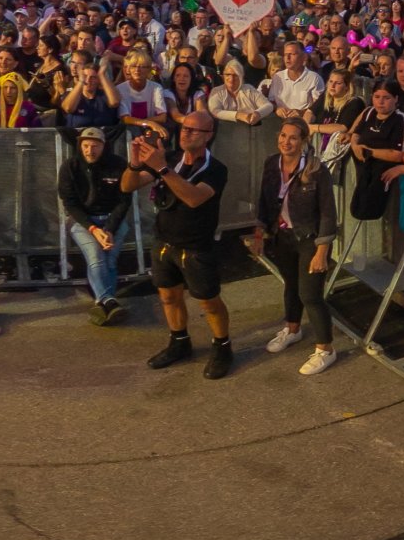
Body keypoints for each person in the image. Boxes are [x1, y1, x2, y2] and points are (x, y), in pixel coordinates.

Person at [129, 112, 237, 376]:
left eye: (193, 130)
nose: (186, 133)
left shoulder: (215, 169)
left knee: (208, 301)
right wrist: (134, 164)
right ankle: (179, 342)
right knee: (168, 296)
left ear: (209, 135)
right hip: (164, 240)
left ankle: (222, 346)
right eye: (184, 127)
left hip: (196, 245)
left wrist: (162, 169)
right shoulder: (171, 158)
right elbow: (127, 186)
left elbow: (194, 198)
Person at [252, 117, 341, 373]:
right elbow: (264, 199)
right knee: (291, 284)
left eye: (293, 137)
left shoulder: (316, 170)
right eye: (283, 136)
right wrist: (259, 233)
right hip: (282, 237)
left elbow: (328, 213)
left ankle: (326, 349)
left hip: (309, 238)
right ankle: (292, 329)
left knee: (310, 294)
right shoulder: (272, 163)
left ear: (303, 141)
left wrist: (322, 251)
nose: (286, 142)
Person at [60, 123, 127, 326]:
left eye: (95, 146)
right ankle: (109, 301)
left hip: (113, 219)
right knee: (96, 258)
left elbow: (125, 200)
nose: (90, 150)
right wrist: (94, 229)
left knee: (110, 260)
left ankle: (103, 305)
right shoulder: (70, 166)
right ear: (80, 146)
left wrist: (110, 229)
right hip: (82, 221)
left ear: (104, 146)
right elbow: (69, 203)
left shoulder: (118, 164)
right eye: (86, 146)